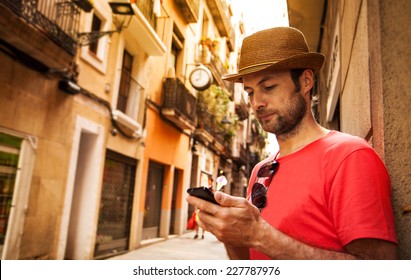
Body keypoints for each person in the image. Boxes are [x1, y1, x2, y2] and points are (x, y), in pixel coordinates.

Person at [187, 27, 398, 259]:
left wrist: (259, 235)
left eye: (268, 87)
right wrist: (232, 235)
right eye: (249, 92)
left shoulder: (350, 156)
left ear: (306, 81)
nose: (257, 103)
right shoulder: (260, 170)